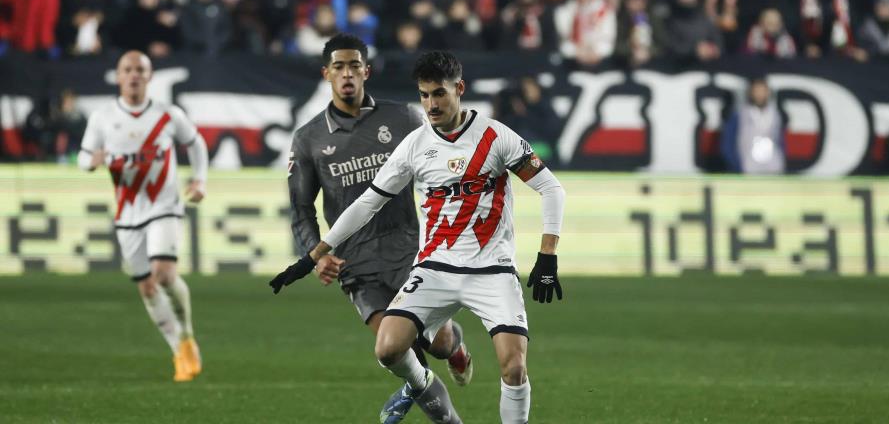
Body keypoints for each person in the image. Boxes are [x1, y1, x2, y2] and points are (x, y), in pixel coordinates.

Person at [270, 50, 567, 424]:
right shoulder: (414, 145)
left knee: (513, 368)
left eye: (439, 93)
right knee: (388, 348)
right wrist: (312, 256)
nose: (431, 104)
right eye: (424, 95)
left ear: (459, 89)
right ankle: (418, 382)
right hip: (435, 268)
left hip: (492, 269)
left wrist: (547, 256)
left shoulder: (495, 137)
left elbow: (552, 190)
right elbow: (367, 204)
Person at [272, 35, 473, 424]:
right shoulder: (309, 138)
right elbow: (300, 209)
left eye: (353, 65)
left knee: (440, 342)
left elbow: (443, 162)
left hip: (410, 250)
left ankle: (456, 349)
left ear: (366, 71)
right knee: (395, 350)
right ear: (326, 74)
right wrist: (318, 253)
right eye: (338, 67)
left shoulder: (404, 119)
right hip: (357, 265)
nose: (346, 74)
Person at [77, 51, 209, 382]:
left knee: (163, 273)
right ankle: (179, 347)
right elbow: (82, 155)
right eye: (128, 70)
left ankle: (188, 334)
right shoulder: (103, 117)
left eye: (140, 70)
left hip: (164, 205)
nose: (134, 75)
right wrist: (90, 162)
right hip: (127, 213)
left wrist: (199, 179)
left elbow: (196, 144)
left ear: (150, 77)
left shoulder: (167, 114)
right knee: (148, 289)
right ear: (118, 76)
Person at [721, 77, 786, 174]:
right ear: (750, 92)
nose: (760, 94)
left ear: (768, 92)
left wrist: (781, 163)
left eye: (763, 90)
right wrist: (737, 167)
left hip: (773, 169)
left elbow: (781, 141)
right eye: (756, 91)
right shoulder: (740, 114)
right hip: (748, 169)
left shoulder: (776, 115)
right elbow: (727, 144)